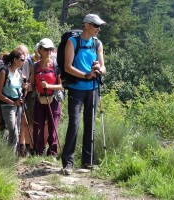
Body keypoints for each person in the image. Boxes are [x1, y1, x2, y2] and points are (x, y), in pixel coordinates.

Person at [61, 14, 107, 175]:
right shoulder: (73, 42)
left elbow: (104, 68)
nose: (98, 29)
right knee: (74, 124)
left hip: (93, 89)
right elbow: (67, 67)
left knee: (90, 125)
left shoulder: (97, 43)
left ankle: (87, 162)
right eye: (96, 26)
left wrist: (98, 69)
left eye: (99, 26)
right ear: (86, 25)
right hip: (76, 88)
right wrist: (86, 75)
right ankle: (68, 162)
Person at [31, 38, 63, 157]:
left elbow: (61, 86)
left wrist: (48, 86)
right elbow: (32, 84)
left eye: (50, 49)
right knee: (37, 127)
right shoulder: (35, 66)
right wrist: (26, 86)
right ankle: (38, 151)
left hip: (53, 100)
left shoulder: (56, 66)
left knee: (52, 127)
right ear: (39, 50)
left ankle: (53, 153)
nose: (48, 51)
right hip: (39, 100)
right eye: (45, 49)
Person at [0, 50, 27, 154]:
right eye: (22, 60)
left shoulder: (19, 72)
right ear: (15, 60)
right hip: (7, 106)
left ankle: (9, 155)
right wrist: (12, 102)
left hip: (18, 105)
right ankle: (10, 157)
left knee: (15, 131)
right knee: (13, 132)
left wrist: (25, 88)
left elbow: (21, 92)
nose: (23, 62)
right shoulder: (4, 71)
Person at [16, 44, 34, 157]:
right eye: (20, 53)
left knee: (27, 122)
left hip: (29, 96)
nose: (23, 56)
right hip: (17, 97)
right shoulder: (14, 66)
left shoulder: (30, 63)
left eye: (24, 53)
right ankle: (21, 147)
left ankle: (27, 147)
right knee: (21, 122)